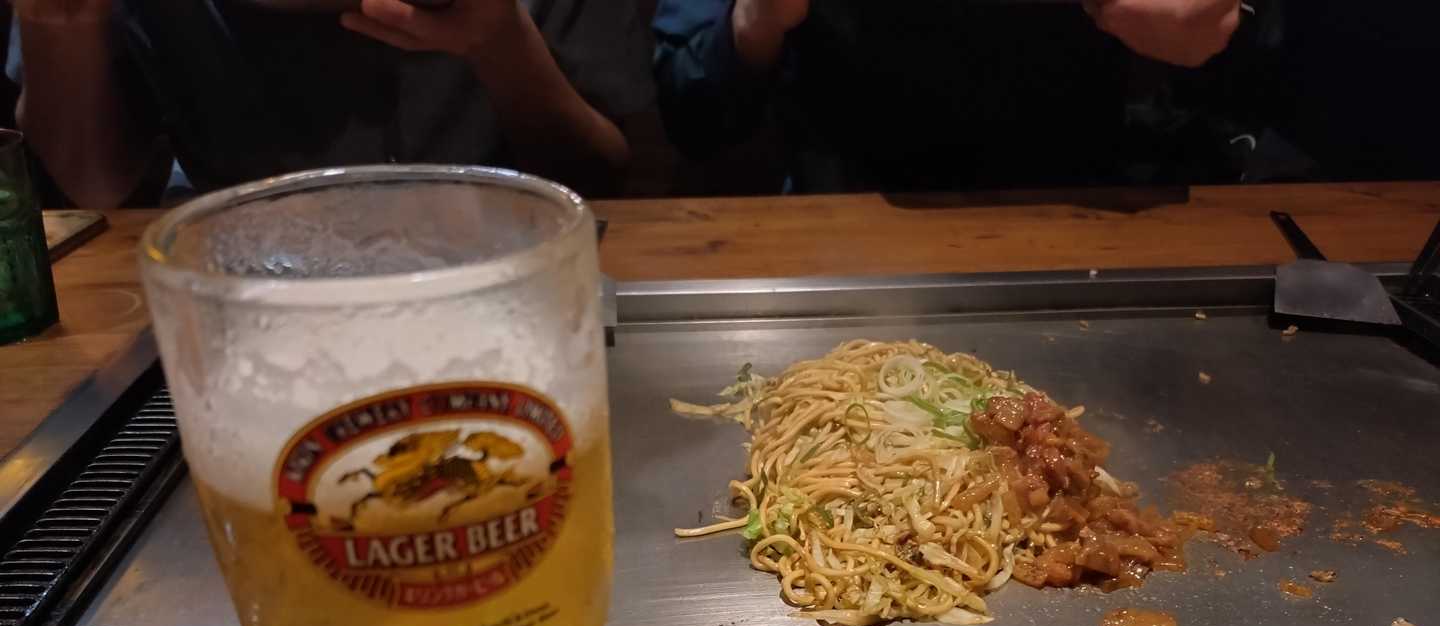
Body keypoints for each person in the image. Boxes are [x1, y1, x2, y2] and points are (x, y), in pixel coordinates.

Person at [14, 0, 653, 207]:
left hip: (512, 284)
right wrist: (60, 23)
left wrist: (502, 44)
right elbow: (94, 187)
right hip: (241, 301)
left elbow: (603, 183)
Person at [653, 0, 1248, 193]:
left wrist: (1216, 29)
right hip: (841, 222)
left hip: (1081, 216)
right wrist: (759, 16)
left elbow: (1236, 52)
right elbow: (692, 117)